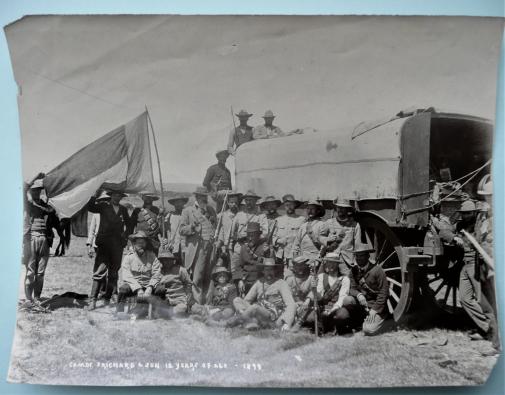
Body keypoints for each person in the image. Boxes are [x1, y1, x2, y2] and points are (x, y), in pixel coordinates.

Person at [454, 198, 499, 350]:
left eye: (469, 213)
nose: (466, 216)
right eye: (464, 214)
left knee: (482, 299)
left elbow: (485, 242)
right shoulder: (460, 225)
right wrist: (454, 238)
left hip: (476, 264)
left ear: (474, 213)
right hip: (465, 265)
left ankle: (494, 332)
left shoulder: (480, 225)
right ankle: (486, 327)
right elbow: (446, 229)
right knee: (464, 298)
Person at [87, 189, 130, 310]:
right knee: (100, 272)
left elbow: (130, 224)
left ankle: (108, 297)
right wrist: (95, 194)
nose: (117, 198)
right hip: (104, 245)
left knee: (114, 272)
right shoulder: (103, 207)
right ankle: (93, 300)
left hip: (117, 246)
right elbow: (90, 207)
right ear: (111, 196)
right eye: (115, 195)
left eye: (119, 196)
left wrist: (125, 237)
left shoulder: (123, 210)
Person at [232, 258, 296, 331]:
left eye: (271, 269)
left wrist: (286, 323)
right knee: (237, 300)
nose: (269, 272)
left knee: (255, 307)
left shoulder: (281, 283)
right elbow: (247, 300)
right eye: (267, 270)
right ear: (263, 271)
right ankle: (247, 321)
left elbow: (291, 303)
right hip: (259, 312)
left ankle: (239, 321)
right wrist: (242, 309)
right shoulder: (259, 282)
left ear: (275, 271)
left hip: (272, 316)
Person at [24, 178, 60, 304]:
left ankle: (37, 298)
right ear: (31, 192)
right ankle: (29, 299)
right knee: (30, 272)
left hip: (44, 239)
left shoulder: (46, 206)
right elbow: (23, 187)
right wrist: (34, 178)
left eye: (38, 191)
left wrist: (37, 205)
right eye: (33, 191)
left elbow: (52, 211)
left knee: (40, 272)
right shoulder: (27, 205)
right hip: (31, 238)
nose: (36, 193)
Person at [180, 187, 217, 304]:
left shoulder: (211, 210)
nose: (204, 198)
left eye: (205, 196)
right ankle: (197, 304)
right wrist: (191, 227)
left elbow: (215, 227)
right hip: (198, 248)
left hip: (210, 247)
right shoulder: (188, 211)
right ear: (196, 197)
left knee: (209, 275)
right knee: (197, 277)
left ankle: (207, 302)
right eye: (201, 196)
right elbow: (181, 230)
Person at [116, 230, 161, 315]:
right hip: (134, 287)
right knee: (123, 289)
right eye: (139, 243)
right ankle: (119, 312)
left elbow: (156, 273)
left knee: (161, 289)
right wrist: (138, 288)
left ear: (146, 244)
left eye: (143, 243)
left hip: (148, 286)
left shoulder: (152, 256)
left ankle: (158, 312)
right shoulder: (128, 258)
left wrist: (150, 287)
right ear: (134, 244)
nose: (141, 245)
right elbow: (127, 276)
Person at [349, 241, 389, 336]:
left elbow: (384, 293)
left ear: (368, 256)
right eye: (357, 256)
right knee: (348, 300)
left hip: (377, 307)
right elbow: (351, 288)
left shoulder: (377, 270)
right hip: (363, 305)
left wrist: (374, 310)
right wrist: (359, 295)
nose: (359, 258)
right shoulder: (354, 270)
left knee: (368, 330)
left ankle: (384, 322)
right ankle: (362, 321)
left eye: (362, 255)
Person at [317, 253, 355, 334]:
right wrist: (314, 290)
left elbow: (342, 297)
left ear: (337, 264)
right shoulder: (321, 277)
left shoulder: (344, 279)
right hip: (324, 306)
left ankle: (340, 328)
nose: (330, 265)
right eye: (328, 262)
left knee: (342, 315)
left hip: (337, 307)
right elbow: (319, 296)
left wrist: (333, 309)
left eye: (333, 263)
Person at [229, 190, 263, 279]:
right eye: (247, 200)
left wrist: (250, 238)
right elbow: (232, 233)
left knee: (252, 273)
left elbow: (264, 233)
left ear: (256, 201)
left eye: (251, 200)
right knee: (236, 273)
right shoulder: (239, 215)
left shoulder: (261, 216)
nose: (248, 202)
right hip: (239, 248)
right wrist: (238, 237)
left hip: (253, 251)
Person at [325, 198, 360, 275]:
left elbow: (357, 245)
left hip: (347, 260)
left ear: (348, 210)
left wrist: (356, 263)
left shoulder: (355, 225)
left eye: (343, 208)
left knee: (346, 283)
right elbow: (322, 241)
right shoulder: (329, 223)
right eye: (339, 207)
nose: (340, 210)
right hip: (331, 259)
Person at [153, 249, 192, 318]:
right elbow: (155, 280)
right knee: (158, 313)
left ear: (173, 260)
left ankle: (171, 313)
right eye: (164, 260)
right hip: (166, 298)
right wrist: (158, 287)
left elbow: (188, 283)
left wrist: (188, 295)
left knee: (181, 309)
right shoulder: (160, 271)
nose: (167, 262)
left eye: (169, 259)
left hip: (179, 298)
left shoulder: (181, 270)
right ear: (162, 261)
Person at [235, 222, 270, 296]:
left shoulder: (265, 247)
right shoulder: (244, 248)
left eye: (253, 236)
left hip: (261, 280)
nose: (250, 238)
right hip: (246, 280)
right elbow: (239, 266)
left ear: (258, 236)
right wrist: (240, 280)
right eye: (248, 236)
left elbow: (272, 265)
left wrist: (267, 253)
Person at [286, 255, 317, 332]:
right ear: (294, 267)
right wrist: (295, 304)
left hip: (307, 307)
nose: (300, 268)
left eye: (302, 265)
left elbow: (314, 292)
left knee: (311, 318)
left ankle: (298, 325)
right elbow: (287, 295)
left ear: (305, 266)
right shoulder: (290, 279)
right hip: (293, 306)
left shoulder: (311, 278)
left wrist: (307, 301)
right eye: (297, 265)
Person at [275, 194, 305, 270]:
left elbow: (304, 238)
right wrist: (278, 241)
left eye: (291, 205)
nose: (289, 207)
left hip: (294, 254)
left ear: (295, 205)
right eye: (287, 205)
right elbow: (273, 236)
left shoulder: (301, 220)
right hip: (279, 255)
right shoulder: (279, 220)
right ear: (284, 206)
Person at [216, 191, 242, 268]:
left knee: (236, 266)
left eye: (236, 202)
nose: (234, 204)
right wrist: (220, 244)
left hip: (238, 246)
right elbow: (221, 231)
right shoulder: (222, 216)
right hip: (226, 246)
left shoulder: (241, 215)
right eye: (231, 202)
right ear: (227, 203)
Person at [165, 194, 189, 265]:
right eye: (176, 202)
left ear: (183, 203)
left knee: (185, 265)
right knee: (174, 266)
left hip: (185, 245)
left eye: (179, 202)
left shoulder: (188, 214)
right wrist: (168, 241)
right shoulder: (169, 215)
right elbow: (167, 230)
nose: (178, 204)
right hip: (173, 246)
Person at [86, 190, 110, 258]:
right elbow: (92, 230)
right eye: (103, 200)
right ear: (99, 202)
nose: (105, 202)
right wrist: (89, 244)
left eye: (107, 200)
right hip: (98, 243)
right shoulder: (96, 214)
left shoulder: (113, 213)